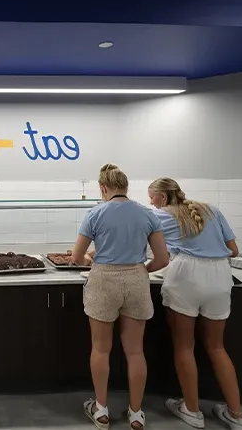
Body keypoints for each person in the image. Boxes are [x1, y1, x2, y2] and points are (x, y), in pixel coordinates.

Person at [72, 164, 169, 430]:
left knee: (101, 349)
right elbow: (162, 259)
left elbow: (76, 257)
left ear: (104, 188)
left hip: (104, 280)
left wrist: (93, 259)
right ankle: (136, 414)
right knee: (136, 351)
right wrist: (140, 270)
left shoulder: (95, 213)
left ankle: (101, 410)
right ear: (126, 187)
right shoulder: (146, 214)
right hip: (137, 280)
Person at [148, 177, 242, 430]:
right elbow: (233, 250)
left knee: (184, 346)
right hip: (220, 276)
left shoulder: (160, 217)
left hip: (186, 277)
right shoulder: (211, 209)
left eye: (152, 199)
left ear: (161, 198)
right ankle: (236, 415)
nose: (152, 204)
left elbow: (151, 252)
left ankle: (192, 411)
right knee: (216, 347)